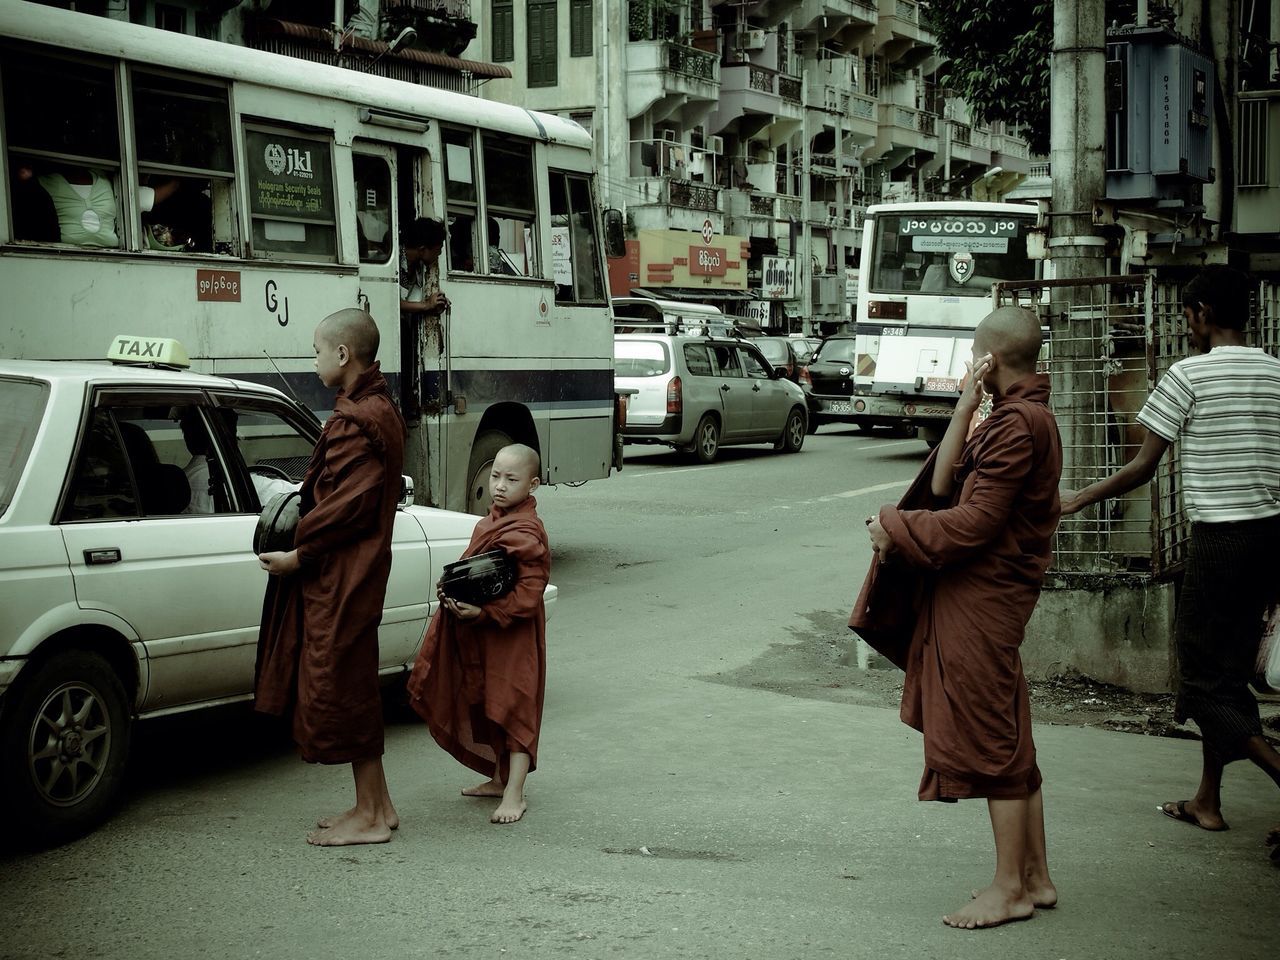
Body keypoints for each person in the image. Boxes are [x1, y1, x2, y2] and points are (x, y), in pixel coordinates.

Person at [1060, 265, 1280, 858]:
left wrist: (1075, 499)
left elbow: (1141, 468)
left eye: (1186, 316)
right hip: (1271, 541)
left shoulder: (1188, 376)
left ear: (1203, 313)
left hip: (1220, 543)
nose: (1186, 326)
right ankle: (1208, 800)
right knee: (1229, 672)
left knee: (1203, 682)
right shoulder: (1278, 374)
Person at [855, 306, 1063, 928]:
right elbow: (946, 483)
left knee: (993, 739)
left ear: (990, 358)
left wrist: (895, 526)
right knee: (1012, 729)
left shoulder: (1020, 427)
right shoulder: (1006, 418)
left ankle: (1009, 889)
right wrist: (966, 404)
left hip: (985, 599)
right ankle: (1035, 876)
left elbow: (971, 525)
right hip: (986, 597)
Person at [255, 307, 407, 846]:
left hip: (344, 575)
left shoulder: (357, 420)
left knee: (342, 684)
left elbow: (350, 506)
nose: (313, 359)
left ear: (343, 355)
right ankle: (379, 805)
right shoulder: (376, 405)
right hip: (357, 571)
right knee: (354, 676)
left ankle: (367, 818)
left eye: (317, 350)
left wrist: (299, 555)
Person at [407, 443, 551, 824]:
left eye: (512, 479)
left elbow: (529, 592)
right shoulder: (488, 522)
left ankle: (516, 794)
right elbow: (479, 572)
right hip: (485, 632)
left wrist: (486, 611)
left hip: (513, 636)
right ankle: (499, 778)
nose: (500, 486)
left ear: (533, 484)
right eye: (495, 476)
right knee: (486, 700)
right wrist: (454, 592)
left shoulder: (527, 529)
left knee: (515, 705)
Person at [400, 216, 449, 319]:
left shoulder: (417, 266)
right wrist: (426, 305)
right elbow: (392, 302)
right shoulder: (396, 262)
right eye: (437, 249)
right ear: (422, 250)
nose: (439, 253)